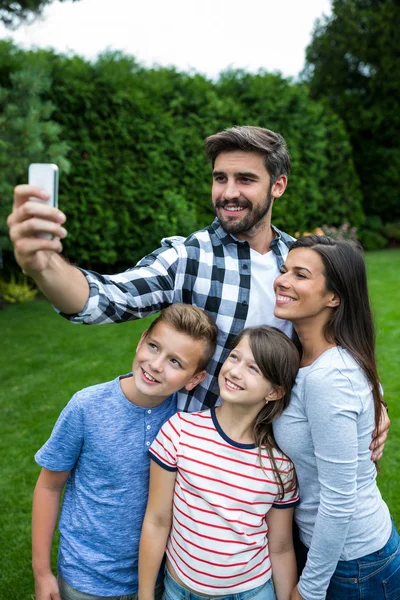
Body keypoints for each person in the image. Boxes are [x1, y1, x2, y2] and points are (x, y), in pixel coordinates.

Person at [8, 126, 389, 443]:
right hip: (199, 461)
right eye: (220, 178)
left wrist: (372, 397)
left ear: (278, 186)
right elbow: (104, 299)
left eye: (245, 179)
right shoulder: (188, 256)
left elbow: (340, 338)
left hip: (283, 453)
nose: (227, 192)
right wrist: (43, 265)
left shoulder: (298, 263)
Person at [32, 304, 218, 600]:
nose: (156, 365)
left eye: (175, 362)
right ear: (140, 340)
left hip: (156, 577)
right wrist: (42, 573)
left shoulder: (186, 420)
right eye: (154, 347)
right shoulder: (86, 407)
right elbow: (49, 486)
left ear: (194, 379)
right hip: (85, 579)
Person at [272, 235, 400, 600]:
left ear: (334, 296)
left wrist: (309, 590)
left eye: (300, 275)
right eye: (284, 271)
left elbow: (340, 498)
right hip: (332, 550)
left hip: (354, 562)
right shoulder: (307, 356)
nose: (283, 280)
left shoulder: (329, 377)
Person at [139, 325, 300, 600]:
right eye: (235, 357)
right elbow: (157, 520)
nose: (235, 371)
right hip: (179, 591)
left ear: (273, 392)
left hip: (251, 592)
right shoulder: (180, 431)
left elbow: (281, 547)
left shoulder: (279, 465)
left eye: (254, 368)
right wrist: (145, 595)